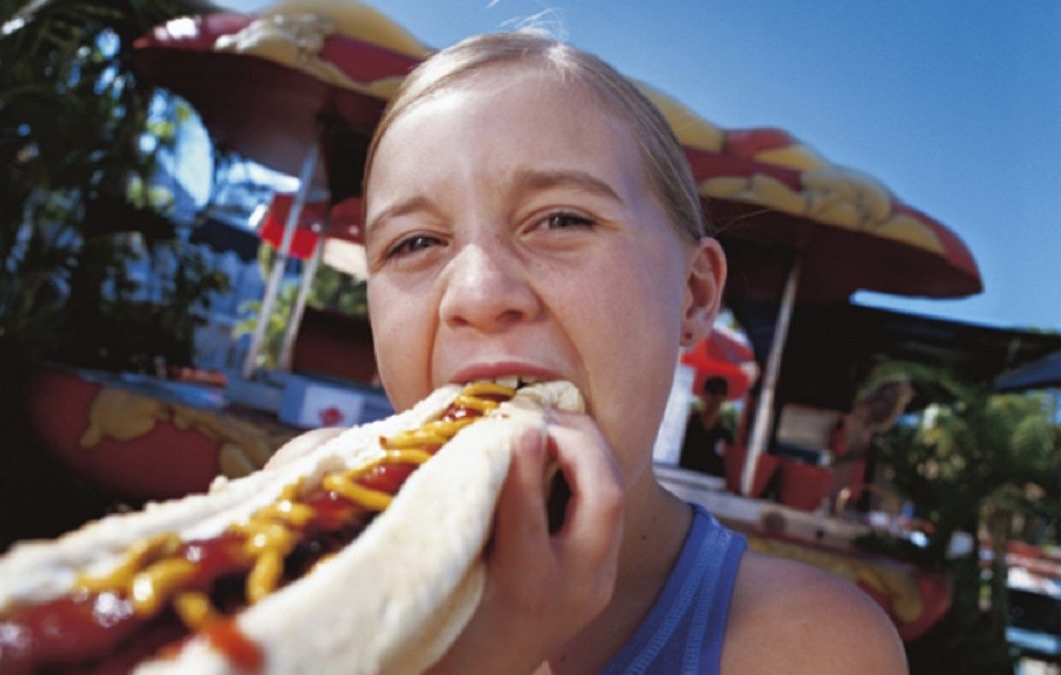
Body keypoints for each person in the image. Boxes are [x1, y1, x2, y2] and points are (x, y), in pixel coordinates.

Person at [270, 30, 906, 674]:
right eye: (413, 244)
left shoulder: (810, 644)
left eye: (561, 220)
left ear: (692, 296)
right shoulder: (300, 523)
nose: (480, 294)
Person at [679, 376, 733, 477]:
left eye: (721, 393)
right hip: (682, 477)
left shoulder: (725, 435)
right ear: (704, 394)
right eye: (712, 391)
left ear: (725, 398)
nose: (716, 398)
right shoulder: (687, 424)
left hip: (708, 486)